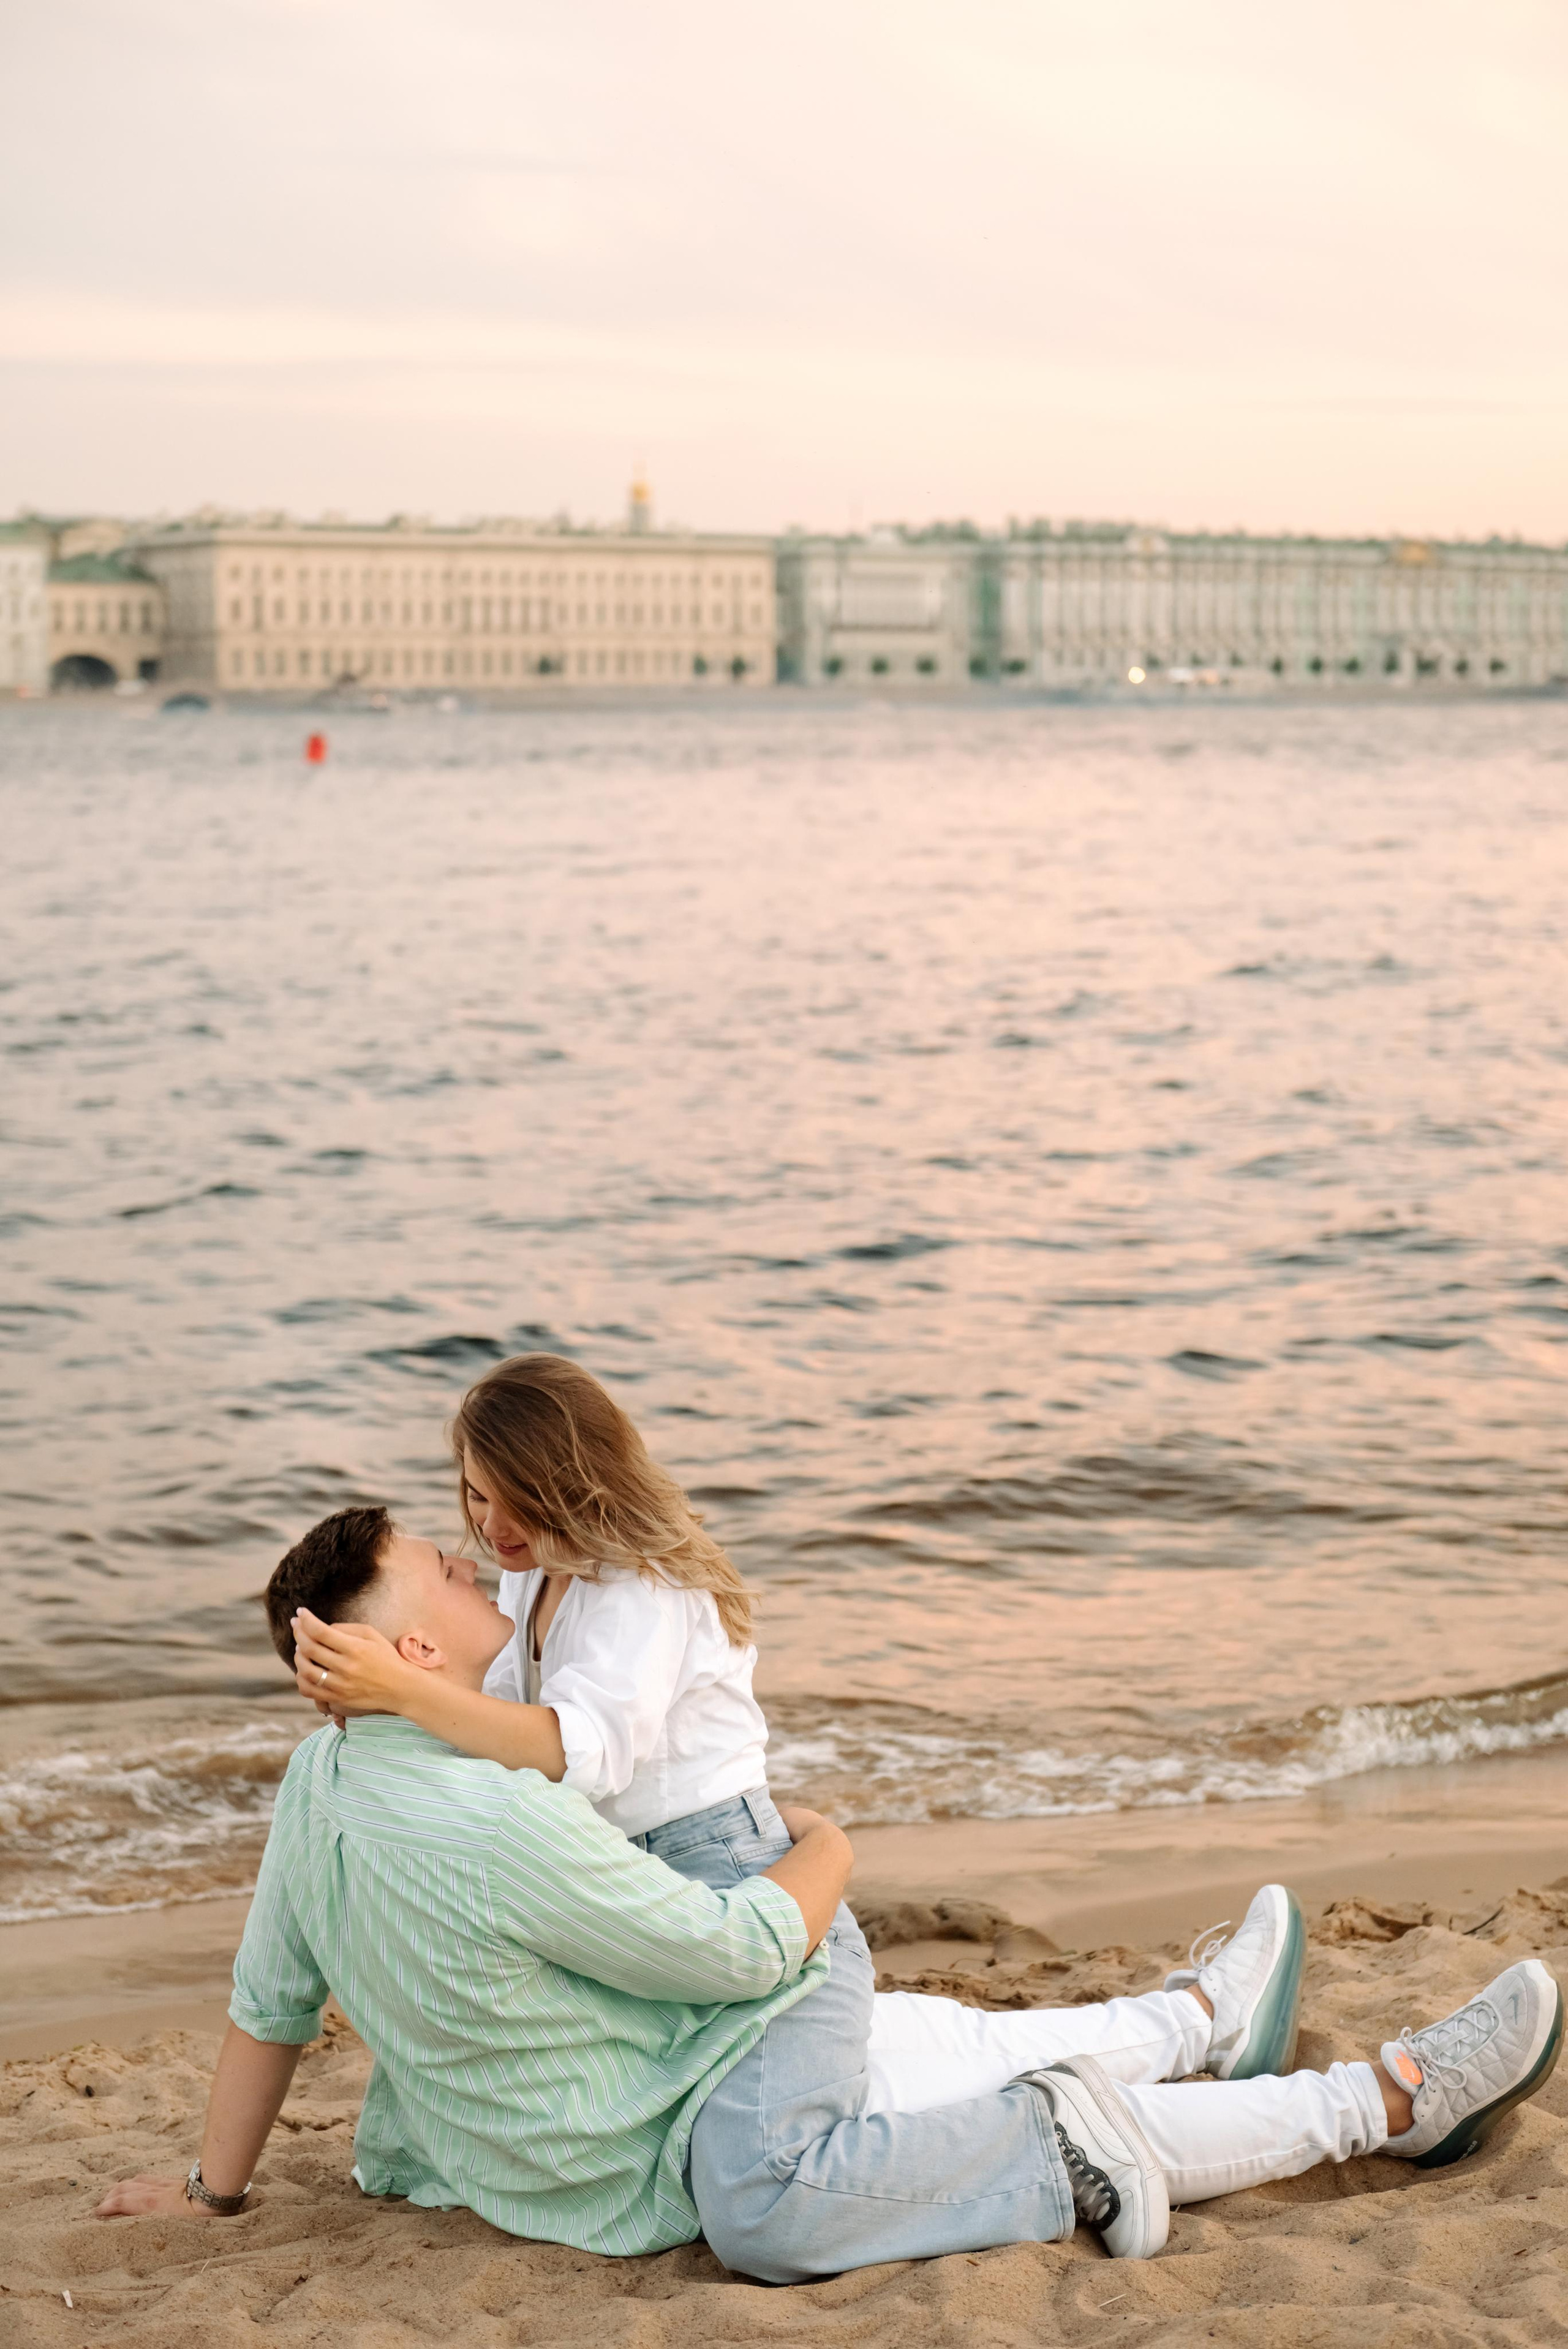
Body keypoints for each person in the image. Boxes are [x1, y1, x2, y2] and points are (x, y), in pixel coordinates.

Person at [97, 1506, 1564, 2279]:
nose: (476, 1564)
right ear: (405, 1655)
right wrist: (832, 1851)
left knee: (904, 2082)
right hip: (690, 2083)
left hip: (703, 2058)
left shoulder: (322, 1782)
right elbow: (734, 1952)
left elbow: (267, 2004)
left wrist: (216, 2191)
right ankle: (1277, 2055)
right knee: (938, 2080)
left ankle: (1297, 2062)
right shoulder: (481, 1812)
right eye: (443, 1567)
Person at [289, 1355, 794, 1899]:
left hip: (710, 1853)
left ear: (578, 1485)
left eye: (520, 1504)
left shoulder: (643, 1582)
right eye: (478, 1495)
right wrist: (367, 1695)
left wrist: (402, 1688)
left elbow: (582, 1755)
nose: (492, 1526)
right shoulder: (534, 1568)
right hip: (618, 1854)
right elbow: (498, 1720)